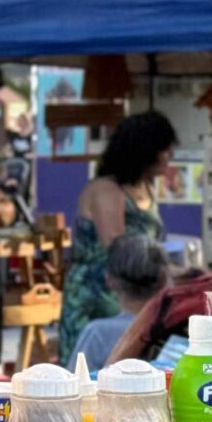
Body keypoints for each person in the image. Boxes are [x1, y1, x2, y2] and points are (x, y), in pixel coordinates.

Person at [61, 110, 175, 353]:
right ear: (146, 150)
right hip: (102, 294)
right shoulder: (106, 190)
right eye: (165, 148)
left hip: (135, 294)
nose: (169, 156)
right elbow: (117, 247)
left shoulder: (145, 187)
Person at [70, 234, 168, 367]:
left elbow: (74, 384)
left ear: (109, 280)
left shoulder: (97, 334)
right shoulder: (175, 332)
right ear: (163, 280)